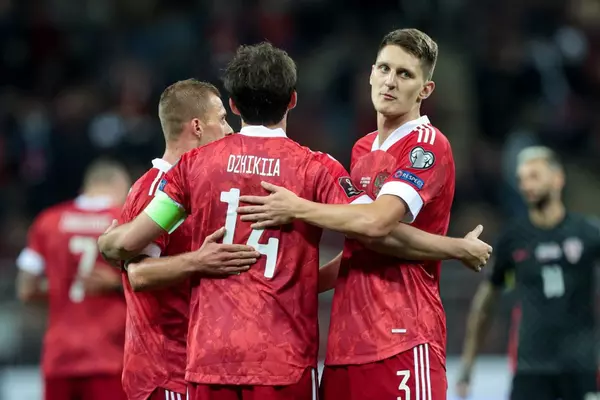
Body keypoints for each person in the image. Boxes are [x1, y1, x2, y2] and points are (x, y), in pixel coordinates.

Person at [98, 42, 490, 400]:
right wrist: (454, 247)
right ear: (293, 100)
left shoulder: (194, 168)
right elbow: (373, 227)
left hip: (210, 360)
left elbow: (128, 244)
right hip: (283, 362)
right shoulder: (317, 168)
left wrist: (109, 243)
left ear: (233, 105)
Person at [237, 29, 472, 400]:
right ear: (371, 74)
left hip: (403, 336)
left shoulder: (427, 145)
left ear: (425, 90)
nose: (390, 81)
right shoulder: (362, 148)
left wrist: (297, 208)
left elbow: (378, 222)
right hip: (346, 344)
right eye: (384, 69)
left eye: (405, 74)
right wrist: (289, 285)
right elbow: (359, 249)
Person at [106, 79, 257, 400]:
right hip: (168, 373)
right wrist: (199, 261)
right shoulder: (159, 189)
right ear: (197, 127)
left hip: (195, 366)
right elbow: (139, 274)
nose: (230, 130)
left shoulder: (194, 184)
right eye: (222, 119)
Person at [456, 146, 600, 400]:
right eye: (521, 179)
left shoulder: (587, 234)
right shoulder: (513, 239)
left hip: (581, 366)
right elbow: (486, 302)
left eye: (534, 176)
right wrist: (468, 365)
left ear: (558, 179)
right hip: (531, 368)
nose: (526, 185)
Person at [16, 159, 130, 400]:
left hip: (59, 356)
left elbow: (26, 288)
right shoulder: (124, 220)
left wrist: (61, 287)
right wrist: (115, 285)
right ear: (119, 185)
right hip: (109, 356)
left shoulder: (48, 220)